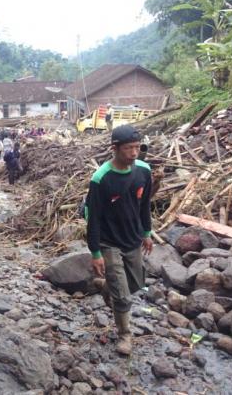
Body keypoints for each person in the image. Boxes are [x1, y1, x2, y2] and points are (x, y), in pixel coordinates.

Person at [84, 124, 153, 356]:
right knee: (123, 297)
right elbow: (93, 218)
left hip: (132, 238)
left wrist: (147, 233)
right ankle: (125, 334)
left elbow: (144, 205)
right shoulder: (101, 178)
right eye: (129, 148)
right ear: (115, 148)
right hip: (109, 241)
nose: (134, 153)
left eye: (137, 147)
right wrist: (95, 253)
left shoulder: (144, 171)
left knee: (135, 284)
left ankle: (107, 287)